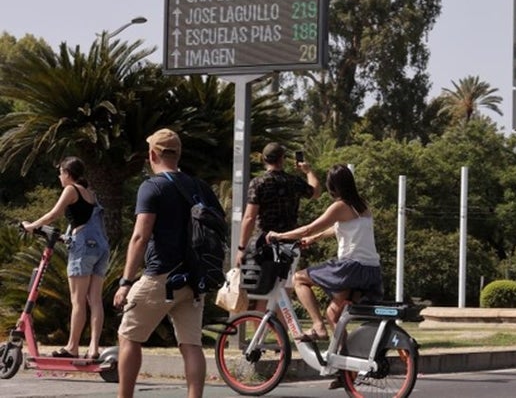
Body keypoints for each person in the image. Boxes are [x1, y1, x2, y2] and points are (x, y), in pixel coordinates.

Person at [113, 128, 223, 398]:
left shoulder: (152, 187)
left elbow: (140, 235)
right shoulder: (200, 187)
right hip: (194, 280)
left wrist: (126, 282)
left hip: (161, 276)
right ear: (178, 154)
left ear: (152, 154)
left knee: (129, 336)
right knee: (191, 345)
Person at [266, 164, 383, 342]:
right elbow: (340, 228)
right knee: (332, 316)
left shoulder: (339, 207)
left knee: (298, 278)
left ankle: (318, 327)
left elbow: (308, 229)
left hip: (351, 268)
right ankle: (344, 361)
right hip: (370, 271)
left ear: (332, 187)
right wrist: (315, 239)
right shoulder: (362, 205)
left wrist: (279, 235)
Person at [23, 156, 109, 361]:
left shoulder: (71, 190)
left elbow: (54, 214)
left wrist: (31, 226)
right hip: (101, 247)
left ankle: (72, 346)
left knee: (77, 300)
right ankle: (94, 348)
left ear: (68, 174)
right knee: (95, 300)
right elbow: (84, 219)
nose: (59, 176)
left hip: (84, 248)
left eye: (61, 172)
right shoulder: (91, 194)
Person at [235, 142, 321, 309]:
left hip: (266, 244)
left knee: (262, 290)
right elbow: (316, 192)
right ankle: (283, 332)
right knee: (284, 291)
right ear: (282, 159)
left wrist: (241, 248)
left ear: (264, 159)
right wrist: (308, 171)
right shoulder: (293, 182)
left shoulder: (259, 183)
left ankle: (260, 328)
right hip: (290, 243)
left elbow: (249, 217)